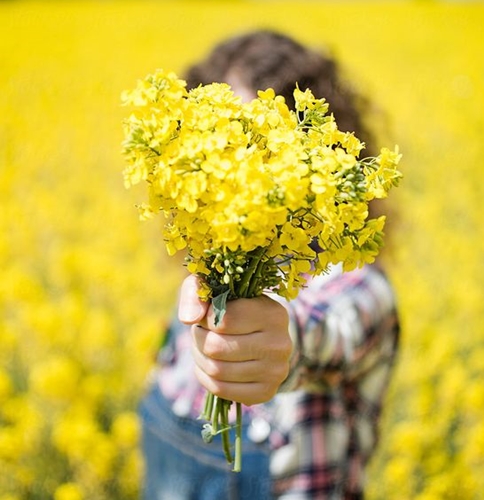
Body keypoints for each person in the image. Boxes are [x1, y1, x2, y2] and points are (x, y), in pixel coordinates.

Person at [139, 30, 400, 500]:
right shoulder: (212, 267)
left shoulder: (359, 288)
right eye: (213, 149)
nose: (235, 170)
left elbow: (321, 331)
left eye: (258, 148)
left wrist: (281, 343)